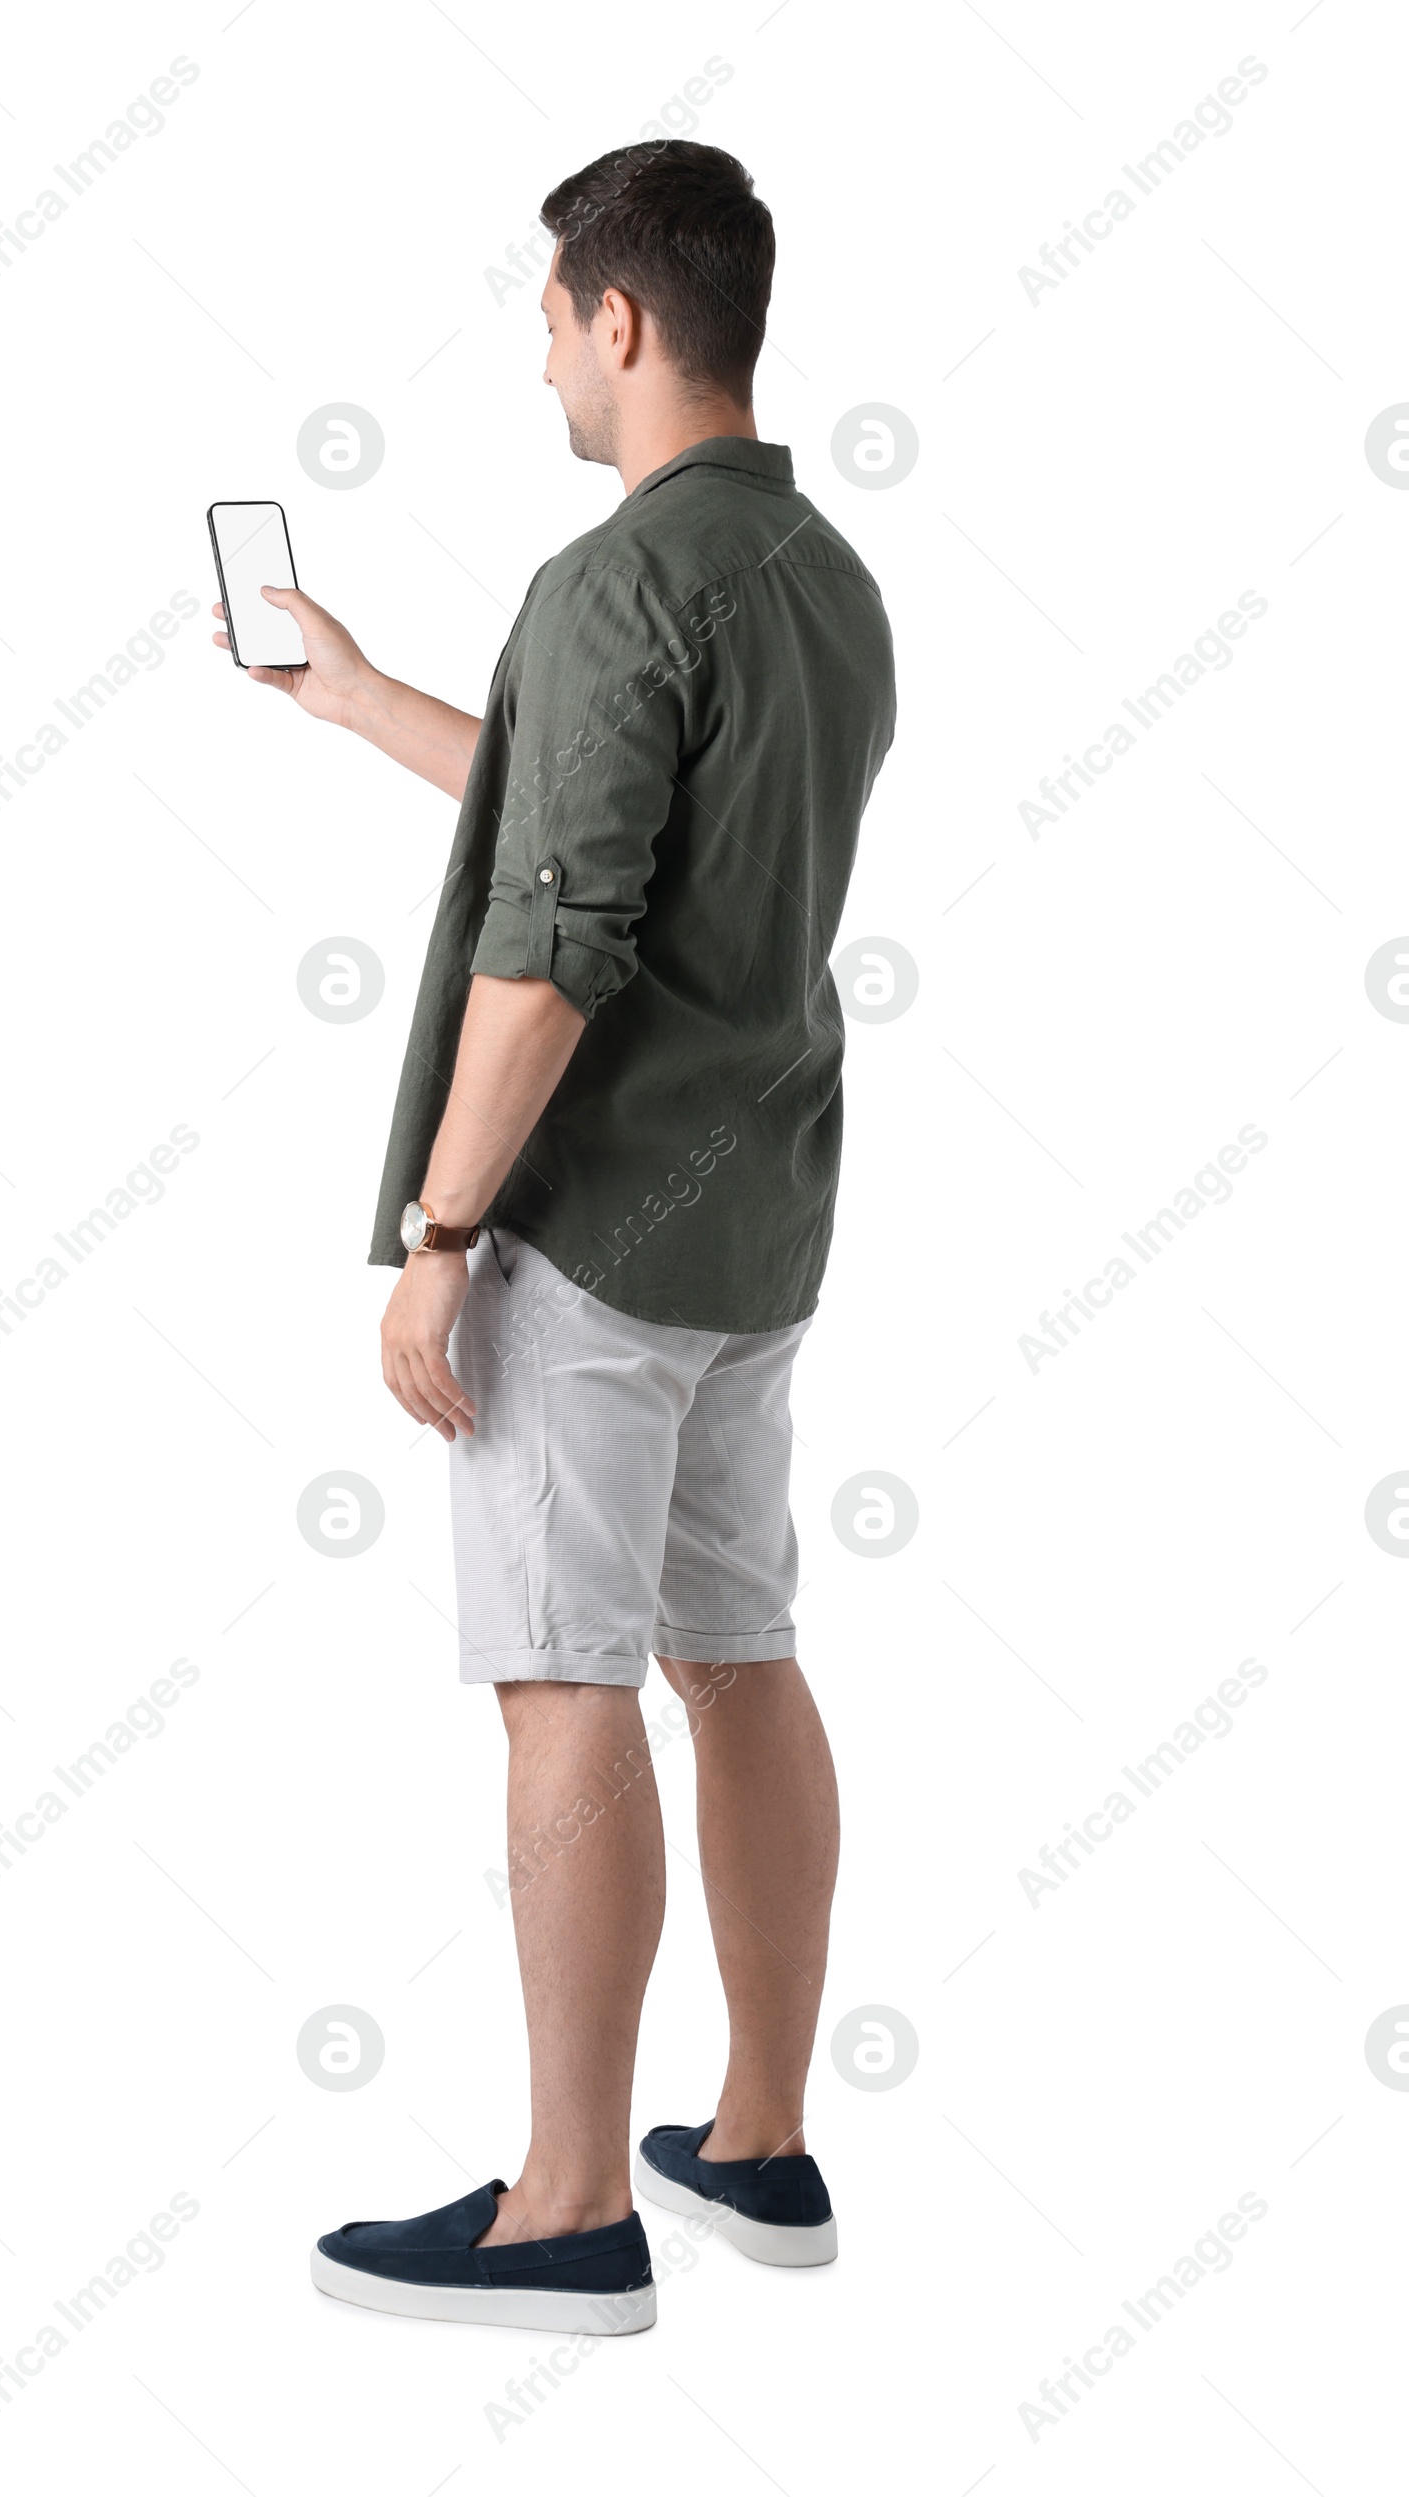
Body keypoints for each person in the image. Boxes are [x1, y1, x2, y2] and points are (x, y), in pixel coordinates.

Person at [213, 138, 895, 2334]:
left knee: (558, 1676)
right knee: (736, 1652)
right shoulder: (816, 571)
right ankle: (761, 2139)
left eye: (543, 313)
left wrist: (440, 1227)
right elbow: (593, 820)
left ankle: (567, 2206)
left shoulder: (610, 582)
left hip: (589, 1238)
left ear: (619, 316)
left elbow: (558, 941)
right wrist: (349, 694)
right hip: (756, 1227)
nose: (533, 350)